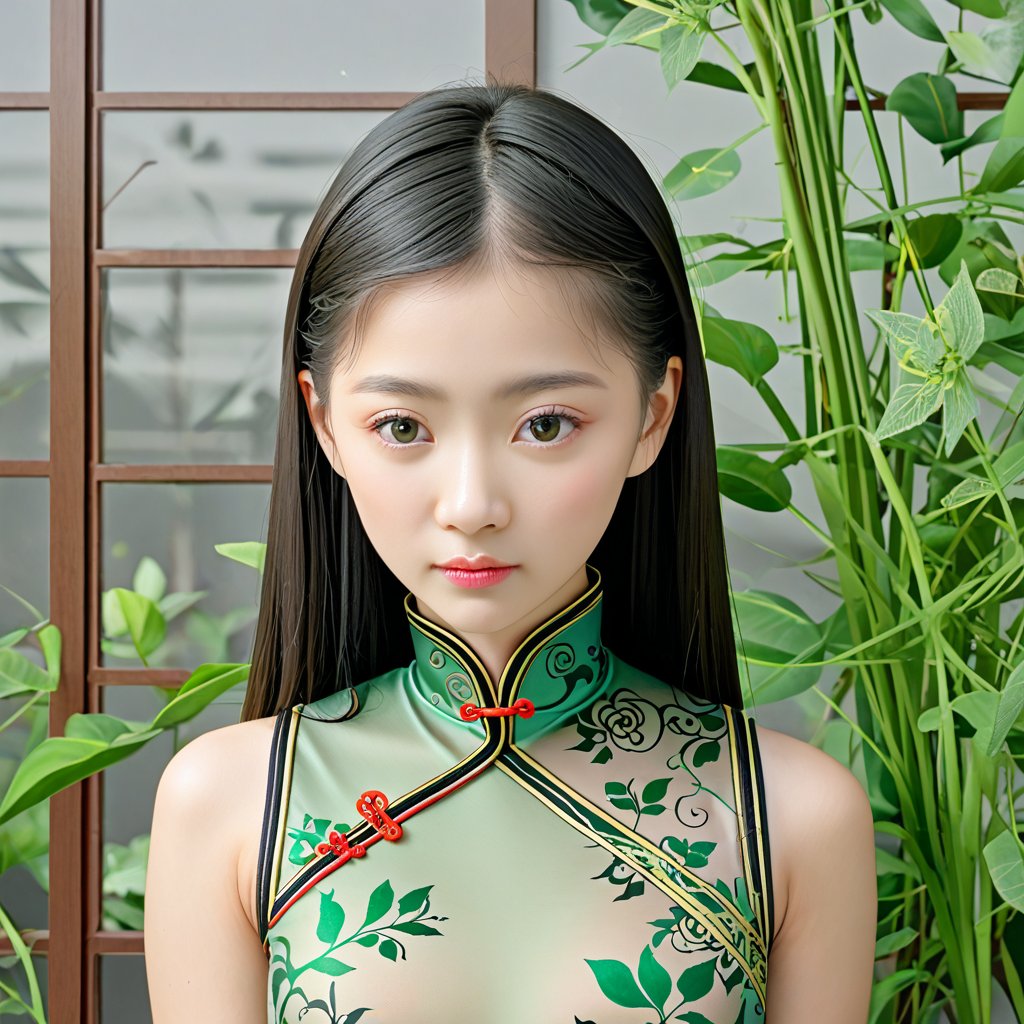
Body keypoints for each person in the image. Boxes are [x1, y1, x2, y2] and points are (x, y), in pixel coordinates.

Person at [143, 80, 877, 1023]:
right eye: (403, 424)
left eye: (545, 423)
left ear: (654, 416)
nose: (473, 504)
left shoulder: (794, 819)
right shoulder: (230, 805)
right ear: (325, 425)